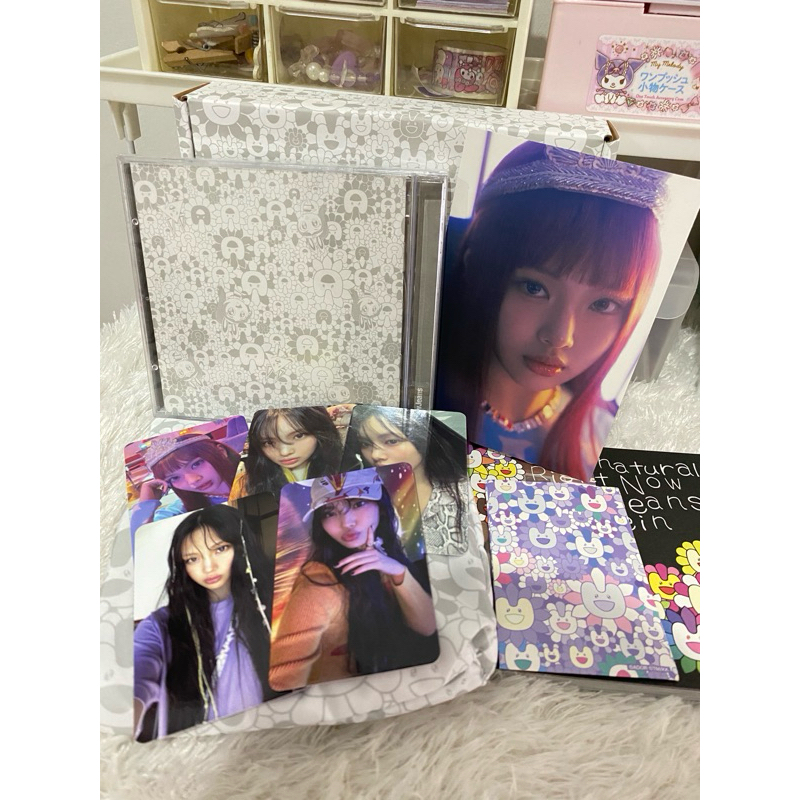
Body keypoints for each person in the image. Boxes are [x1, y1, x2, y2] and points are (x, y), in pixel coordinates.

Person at [436, 139, 667, 481]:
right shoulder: (409, 387)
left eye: (602, 304)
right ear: (476, 266)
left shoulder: (608, 439)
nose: (560, 336)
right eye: (534, 288)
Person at [269, 471, 438, 691]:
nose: (346, 522)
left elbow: (427, 627)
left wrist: (398, 571)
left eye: (358, 504)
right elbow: (283, 681)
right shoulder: (320, 585)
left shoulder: (386, 553)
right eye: (330, 512)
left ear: (380, 506)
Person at [133, 504, 274, 741]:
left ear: (240, 548)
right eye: (192, 559)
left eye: (220, 549)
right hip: (195, 755)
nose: (208, 567)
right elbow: (136, 679)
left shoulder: (273, 602)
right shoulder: (161, 625)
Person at [345, 406, 470, 556]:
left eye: (391, 441)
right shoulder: (360, 499)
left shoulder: (468, 494)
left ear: (423, 438)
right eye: (365, 444)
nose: (375, 454)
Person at [129, 433, 241, 538]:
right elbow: (141, 542)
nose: (193, 481)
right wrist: (145, 504)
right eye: (174, 478)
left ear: (221, 451)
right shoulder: (180, 510)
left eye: (196, 464)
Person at [229, 407, 346, 502]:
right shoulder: (245, 484)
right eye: (269, 442)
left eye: (298, 436)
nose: (284, 452)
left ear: (321, 432)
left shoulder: (345, 469)